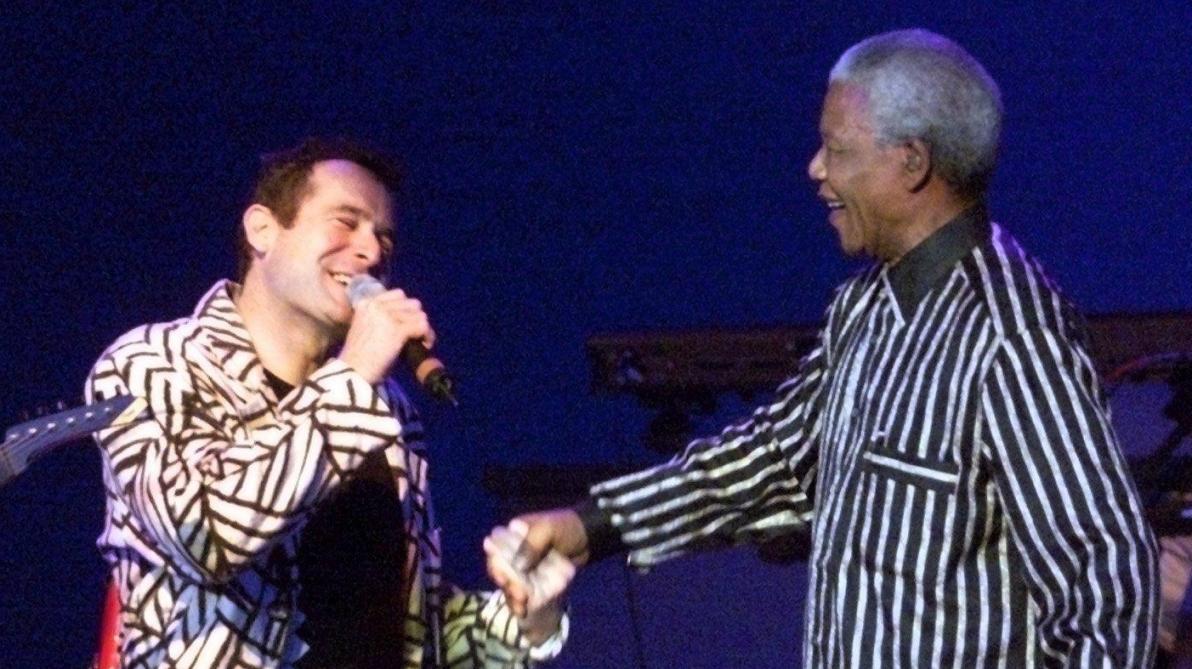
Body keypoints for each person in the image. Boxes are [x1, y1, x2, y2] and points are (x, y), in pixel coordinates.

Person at [486, 29, 1160, 667]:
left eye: (836, 149)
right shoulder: (862, 310)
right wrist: (588, 525)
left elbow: (1104, 579)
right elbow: (772, 460)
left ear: (911, 161)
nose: (814, 169)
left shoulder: (1011, 332)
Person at [86, 138, 565, 668]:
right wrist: (354, 372)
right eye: (346, 221)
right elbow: (207, 535)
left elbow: (409, 634)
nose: (373, 251)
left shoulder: (386, 409)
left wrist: (526, 620)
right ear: (262, 229)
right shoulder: (153, 363)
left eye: (384, 236)